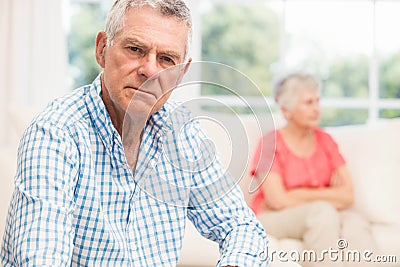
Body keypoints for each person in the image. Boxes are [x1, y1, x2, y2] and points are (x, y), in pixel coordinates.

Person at [0, 1, 269, 266]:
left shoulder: (183, 132)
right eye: (135, 49)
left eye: (166, 59)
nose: (150, 70)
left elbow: (242, 227)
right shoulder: (55, 133)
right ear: (102, 49)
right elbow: (41, 259)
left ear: (182, 72)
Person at [250, 72, 378, 267]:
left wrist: (297, 193)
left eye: (317, 101)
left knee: (355, 221)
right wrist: (328, 194)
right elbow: (277, 200)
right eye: (308, 103)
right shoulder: (270, 143)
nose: (316, 109)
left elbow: (347, 195)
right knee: (321, 212)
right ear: (286, 110)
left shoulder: (325, 141)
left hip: (322, 214)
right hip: (272, 217)